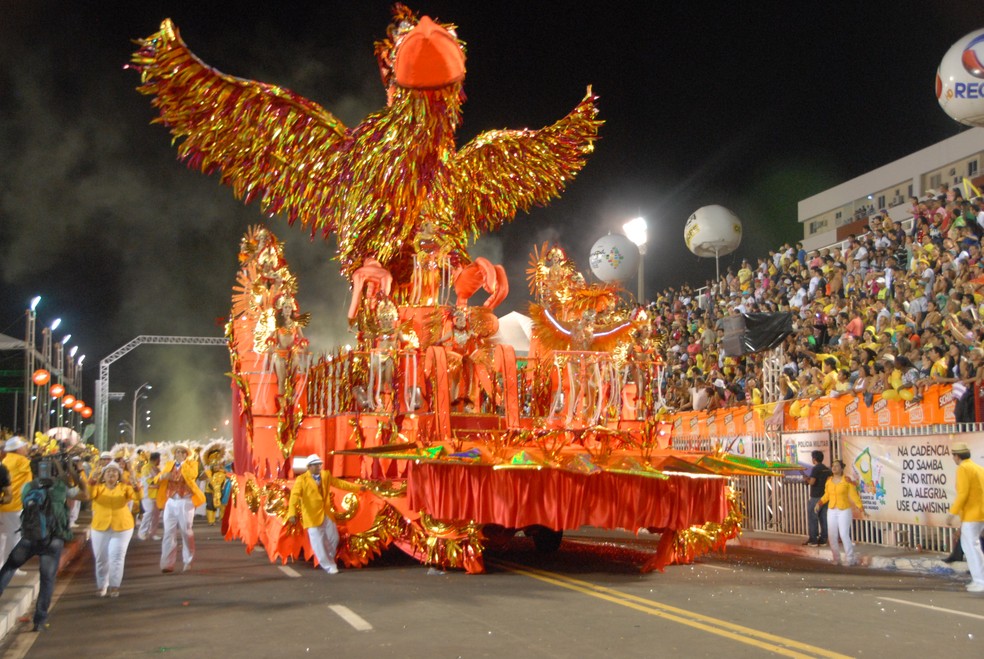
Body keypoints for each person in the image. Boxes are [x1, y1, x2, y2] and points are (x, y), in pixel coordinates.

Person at [0, 456, 87, 631]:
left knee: (9, 566)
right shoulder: (61, 487)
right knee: (47, 579)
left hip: (30, 537)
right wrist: (73, 473)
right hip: (53, 540)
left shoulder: (28, 487)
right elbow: (86, 494)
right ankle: (39, 621)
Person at [287, 454, 362, 574]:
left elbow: (340, 483)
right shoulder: (301, 480)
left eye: (319, 464)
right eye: (316, 465)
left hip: (326, 513)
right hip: (311, 516)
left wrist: (357, 488)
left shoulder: (325, 475)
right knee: (318, 543)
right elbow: (294, 497)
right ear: (309, 467)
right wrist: (292, 513)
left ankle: (329, 559)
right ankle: (328, 565)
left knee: (334, 538)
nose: (319, 467)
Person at [90, 461, 140, 597]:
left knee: (117, 556)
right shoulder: (98, 488)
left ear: (119, 475)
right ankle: (102, 585)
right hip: (100, 527)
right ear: (103, 475)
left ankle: (114, 585)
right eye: (108, 472)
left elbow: (137, 497)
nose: (111, 474)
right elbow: (89, 494)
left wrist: (135, 485)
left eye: (114, 472)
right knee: (101, 558)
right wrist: (92, 480)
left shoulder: (125, 488)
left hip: (122, 527)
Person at [155, 445, 205, 573]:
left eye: (181, 452)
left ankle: (188, 560)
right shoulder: (169, 464)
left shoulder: (191, 464)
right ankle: (167, 564)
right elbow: (158, 477)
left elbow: (192, 475)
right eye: (177, 452)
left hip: (186, 501)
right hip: (171, 501)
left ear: (185, 455)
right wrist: (162, 477)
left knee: (186, 531)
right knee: (168, 533)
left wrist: (182, 464)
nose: (178, 454)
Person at [945, 441, 984, 592]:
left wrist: (952, 513)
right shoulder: (977, 468)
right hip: (980, 513)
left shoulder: (963, 468)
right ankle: (978, 579)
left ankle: (980, 581)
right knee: (970, 546)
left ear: (956, 456)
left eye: (953, 456)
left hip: (972, 515)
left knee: (972, 548)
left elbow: (963, 494)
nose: (953, 459)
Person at [816, 459, 864, 566]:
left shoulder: (847, 480)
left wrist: (860, 507)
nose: (834, 468)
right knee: (832, 535)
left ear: (842, 468)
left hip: (844, 510)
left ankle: (850, 558)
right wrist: (819, 503)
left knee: (843, 534)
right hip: (832, 510)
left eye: (837, 466)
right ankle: (836, 558)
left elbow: (853, 495)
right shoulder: (829, 481)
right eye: (833, 466)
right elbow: (826, 495)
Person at [0, 436, 33, 564]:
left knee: (3, 536)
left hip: (3, 503)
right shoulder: (22, 461)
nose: (26, 449)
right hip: (14, 505)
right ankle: (11, 565)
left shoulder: (5, 460)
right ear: (17, 449)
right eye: (24, 447)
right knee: (15, 536)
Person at [803, 450, 831, 546]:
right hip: (825, 497)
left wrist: (806, 479)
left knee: (812, 517)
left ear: (814, 459)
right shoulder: (827, 469)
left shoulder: (816, 469)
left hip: (815, 497)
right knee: (823, 518)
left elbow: (812, 482)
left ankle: (813, 540)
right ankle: (823, 539)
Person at [137, 452, 162, 540]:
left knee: (156, 515)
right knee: (148, 513)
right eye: (160, 459)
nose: (160, 461)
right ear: (157, 459)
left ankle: (153, 533)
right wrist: (159, 479)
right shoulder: (146, 467)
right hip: (147, 494)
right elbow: (147, 480)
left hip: (156, 495)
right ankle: (142, 532)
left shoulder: (157, 469)